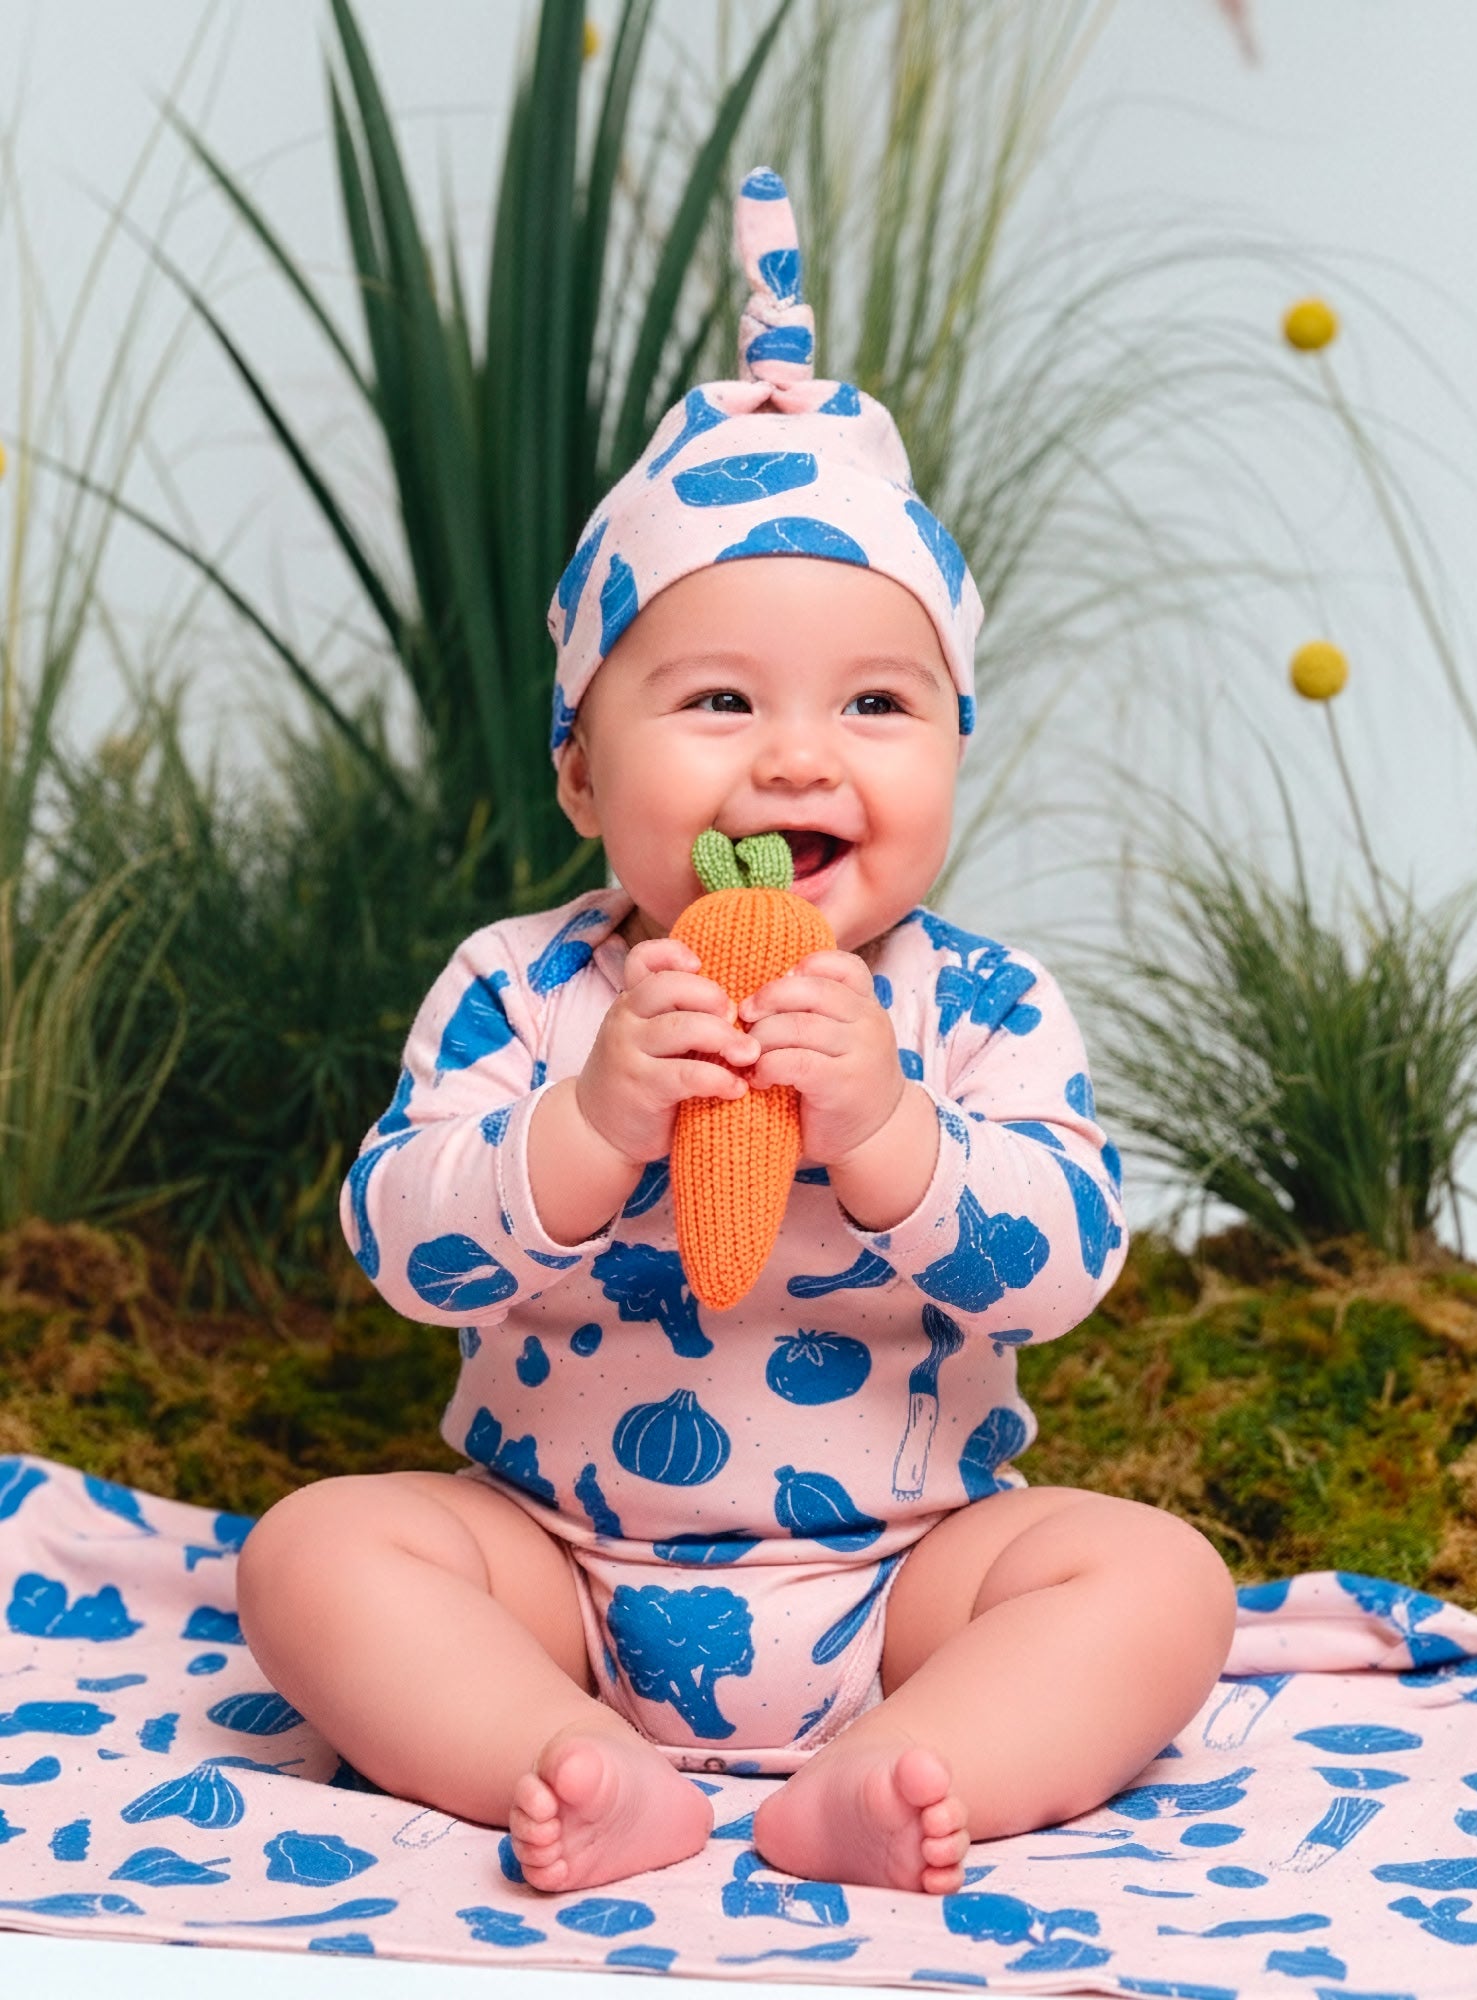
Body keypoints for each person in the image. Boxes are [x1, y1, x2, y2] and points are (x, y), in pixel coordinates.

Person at [236, 168, 1238, 1899]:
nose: (795, 759)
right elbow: (398, 1241)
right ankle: (566, 1759)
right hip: (555, 1566)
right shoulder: (521, 987)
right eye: (716, 700)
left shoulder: (978, 1003)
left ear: (952, 748)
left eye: (875, 701)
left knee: (1159, 1582)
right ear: (578, 769)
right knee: (314, 1554)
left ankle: (902, 1771)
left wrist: (892, 1134)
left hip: (907, 1572)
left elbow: (1067, 1264)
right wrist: (589, 1122)